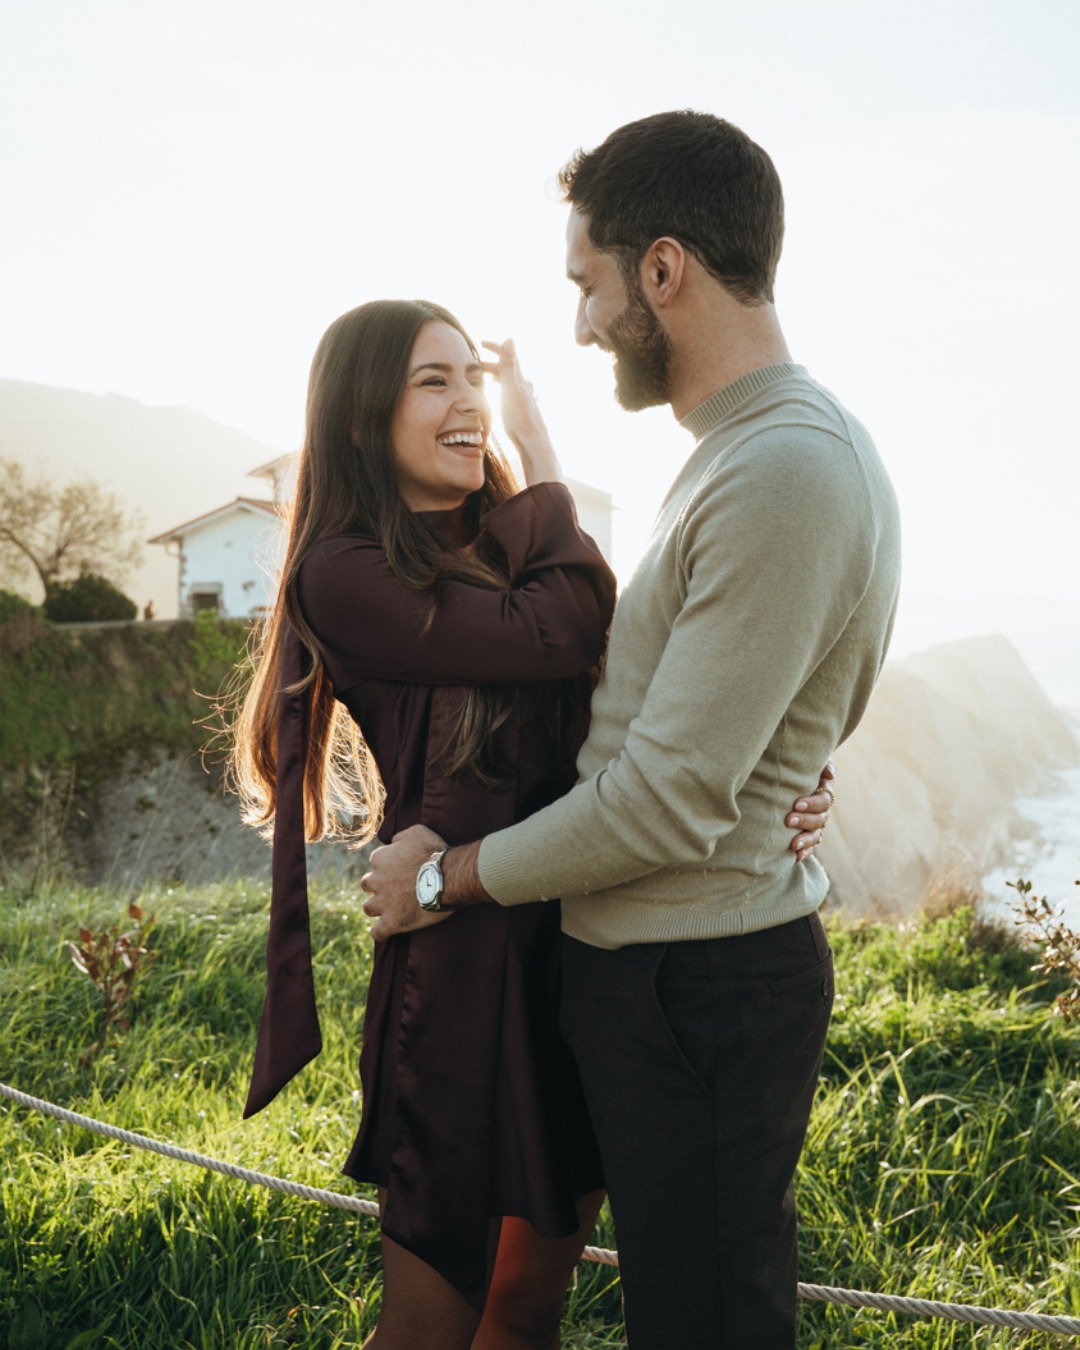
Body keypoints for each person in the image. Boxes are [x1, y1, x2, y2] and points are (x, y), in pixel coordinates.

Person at [361, 112, 902, 1350]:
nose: (582, 320)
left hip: (697, 983)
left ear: (663, 270)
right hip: (658, 969)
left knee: (709, 1322)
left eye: (587, 283)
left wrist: (444, 880)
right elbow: (723, 712)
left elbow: (667, 798)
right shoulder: (746, 455)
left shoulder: (783, 470)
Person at [231, 296, 837, 1350]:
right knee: (428, 1328)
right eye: (435, 381)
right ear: (362, 414)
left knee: (522, 1315)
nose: (468, 400)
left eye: (475, 376)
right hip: (457, 975)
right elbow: (558, 630)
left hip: (576, 958)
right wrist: (541, 447)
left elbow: (629, 675)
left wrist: (783, 769)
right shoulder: (345, 569)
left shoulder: (512, 539)